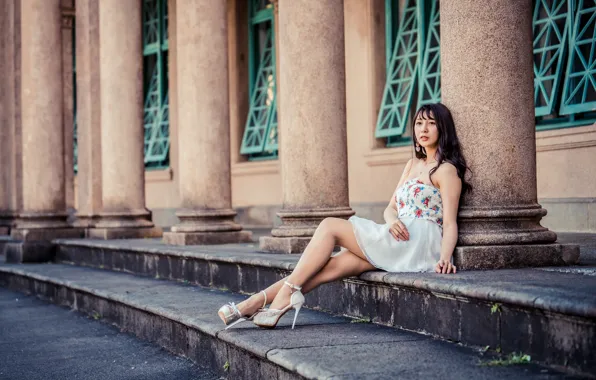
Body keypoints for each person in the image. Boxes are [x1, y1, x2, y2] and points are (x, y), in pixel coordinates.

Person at [218, 102, 471, 330]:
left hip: (416, 243)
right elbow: (390, 208)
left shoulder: (446, 171)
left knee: (330, 226)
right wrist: (393, 220)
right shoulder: (412, 164)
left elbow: (449, 223)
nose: (423, 128)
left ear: (443, 129)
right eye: (418, 122)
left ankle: (276, 297)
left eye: (431, 123)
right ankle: (252, 305)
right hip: (396, 235)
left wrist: (445, 257)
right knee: (328, 268)